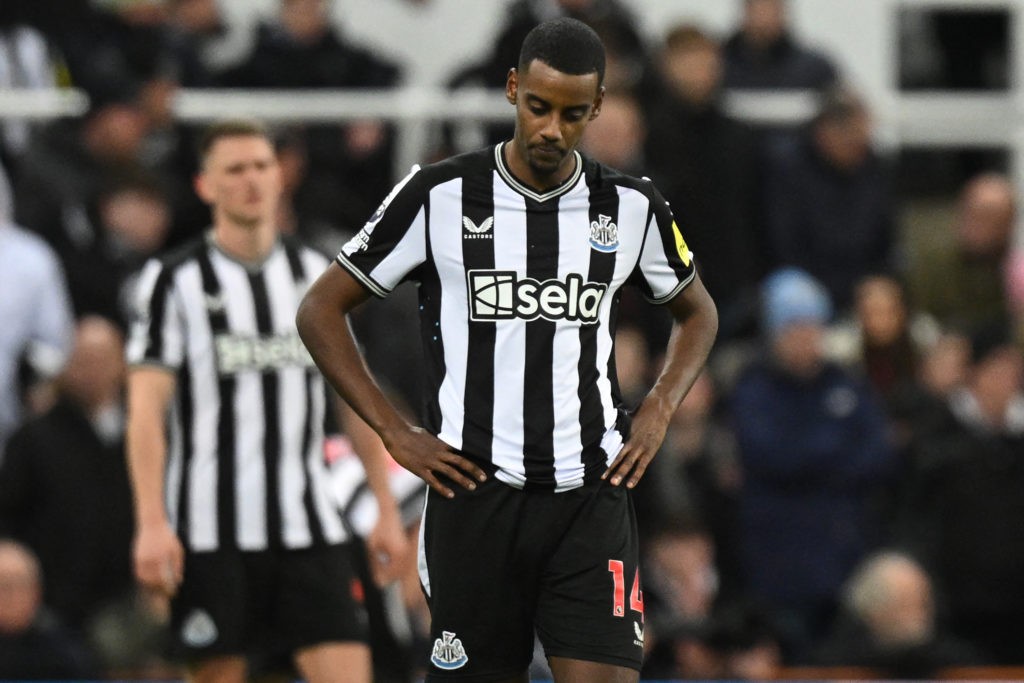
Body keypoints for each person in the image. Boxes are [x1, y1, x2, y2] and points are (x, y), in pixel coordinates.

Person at [296, 18, 719, 683]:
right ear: (513, 88)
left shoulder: (632, 206)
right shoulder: (438, 194)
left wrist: (663, 402)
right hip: (475, 494)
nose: (552, 127)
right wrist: (393, 430)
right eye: (539, 106)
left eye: (574, 113)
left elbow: (698, 313)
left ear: (599, 107)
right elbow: (320, 308)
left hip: (589, 490)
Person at [124, 118, 409, 683]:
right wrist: (152, 522)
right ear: (206, 186)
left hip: (310, 526)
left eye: (261, 166)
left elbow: (355, 400)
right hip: (210, 531)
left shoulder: (316, 276)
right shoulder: (172, 281)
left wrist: (383, 508)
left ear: (281, 178)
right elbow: (145, 413)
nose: (252, 180)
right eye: (235, 169)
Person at [729, 267, 895, 662]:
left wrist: (812, 454)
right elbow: (773, 457)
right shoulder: (754, 390)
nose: (806, 338)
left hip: (848, 561)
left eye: (813, 327)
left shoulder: (846, 383)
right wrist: (835, 446)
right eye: (794, 328)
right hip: (782, 569)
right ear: (774, 333)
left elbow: (880, 454)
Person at [0, 316, 135, 635]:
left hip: (128, 599)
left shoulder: (143, 435)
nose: (92, 371)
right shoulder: (34, 438)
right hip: (50, 605)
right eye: (82, 360)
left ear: (123, 364)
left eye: (102, 360)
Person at [0, 539, 97, 679]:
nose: (8, 597)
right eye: (3, 586)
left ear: (36, 592)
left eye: (17, 585)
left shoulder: (65, 656)